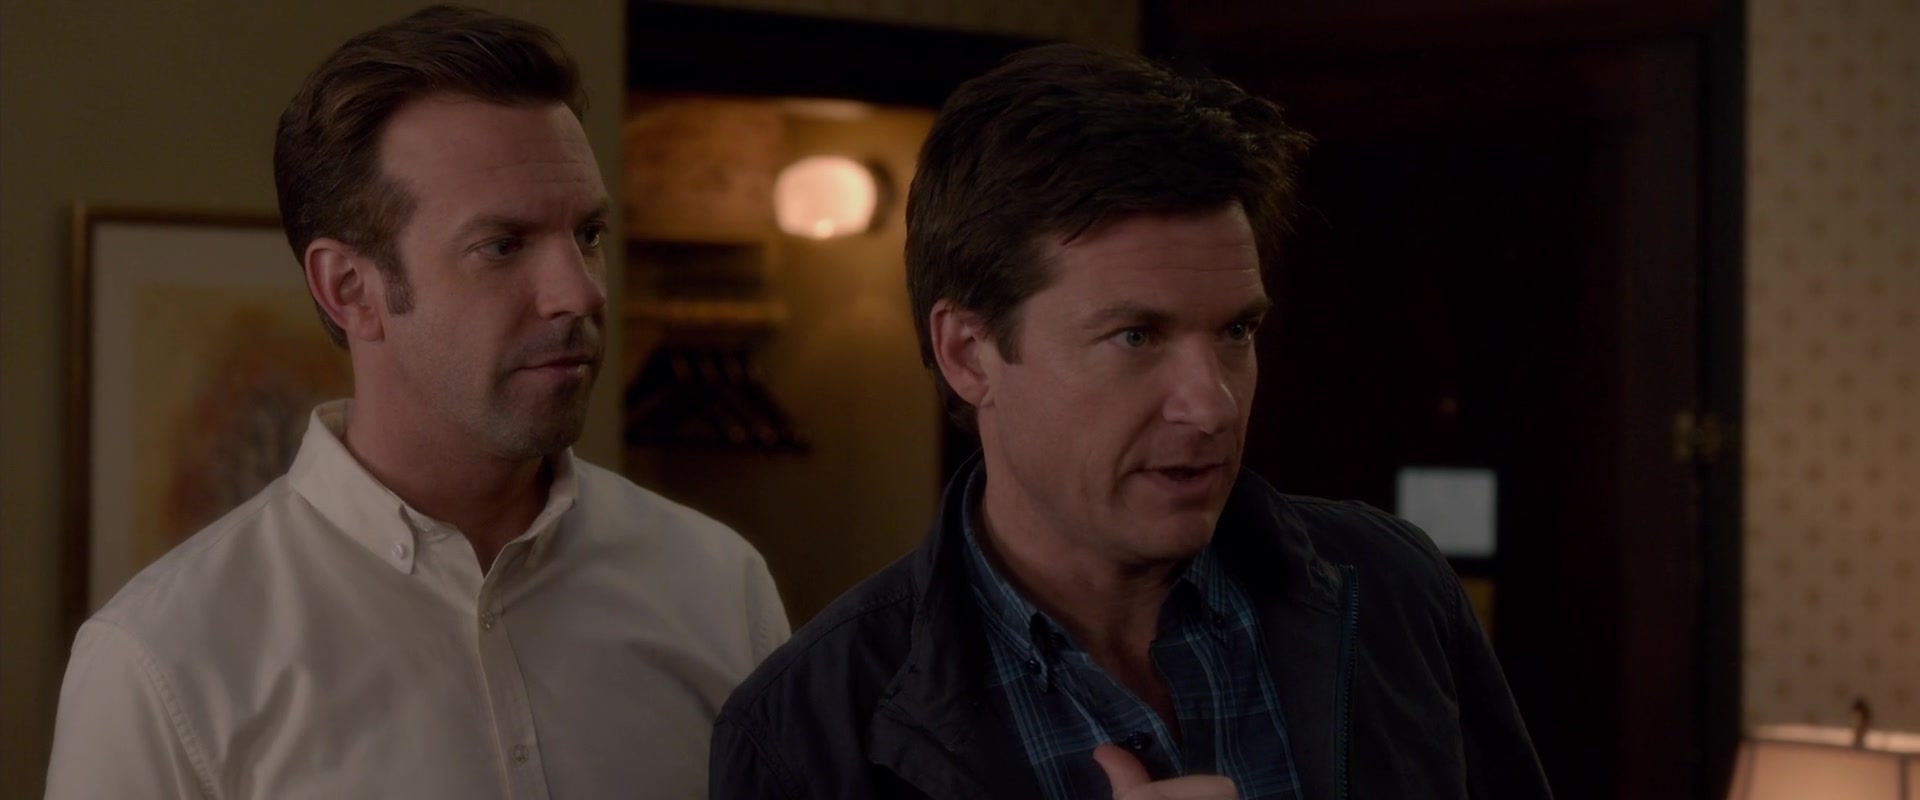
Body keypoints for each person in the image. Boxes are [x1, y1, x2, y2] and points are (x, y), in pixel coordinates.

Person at [709, 44, 1551, 800]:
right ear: (968, 353)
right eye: (1136, 337)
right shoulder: (805, 728)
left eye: (1236, 332)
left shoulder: (1392, 588)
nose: (1212, 404)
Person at [45, 7, 788, 798]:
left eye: (589, 235)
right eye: (503, 245)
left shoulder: (718, 587)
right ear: (350, 289)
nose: (578, 292)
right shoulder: (161, 661)